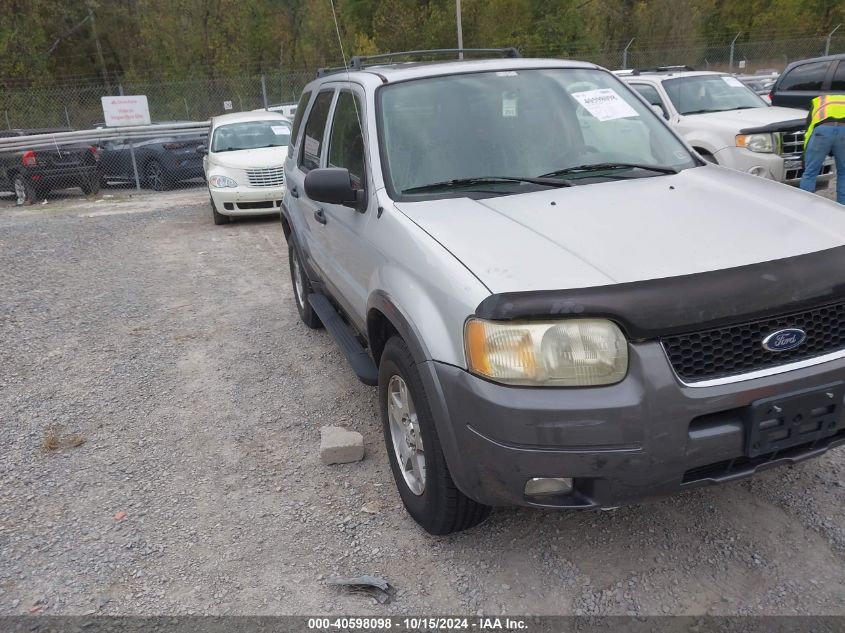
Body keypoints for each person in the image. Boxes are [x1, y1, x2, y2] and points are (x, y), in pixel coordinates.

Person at [800, 94, 845, 205]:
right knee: (843, 172)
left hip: (822, 131)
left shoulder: (818, 101)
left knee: (810, 172)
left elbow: (809, 129)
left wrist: (805, 154)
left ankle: (804, 205)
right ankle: (842, 207)